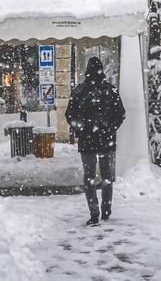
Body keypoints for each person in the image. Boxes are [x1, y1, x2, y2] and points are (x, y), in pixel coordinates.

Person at [64, 56, 125, 226]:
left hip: (87, 141)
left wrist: (81, 128)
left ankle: (94, 212)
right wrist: (110, 128)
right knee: (107, 177)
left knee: (89, 178)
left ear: (87, 71)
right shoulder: (110, 90)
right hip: (106, 140)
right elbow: (120, 114)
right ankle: (106, 210)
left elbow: (70, 115)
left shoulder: (79, 91)